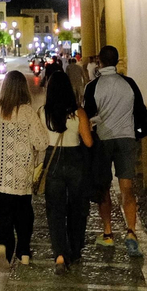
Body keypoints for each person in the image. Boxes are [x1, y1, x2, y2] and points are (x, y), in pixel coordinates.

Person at [0, 70, 49, 269]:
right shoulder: (27, 112)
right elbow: (41, 142)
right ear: (23, 89)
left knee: (3, 214)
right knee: (24, 213)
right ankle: (24, 252)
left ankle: (2, 246)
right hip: (22, 175)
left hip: (0, 176)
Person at [83, 46, 147, 254]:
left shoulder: (93, 87)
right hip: (127, 138)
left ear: (99, 62)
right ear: (117, 61)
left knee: (103, 187)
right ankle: (131, 232)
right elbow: (140, 110)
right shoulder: (129, 84)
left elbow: (87, 116)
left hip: (103, 140)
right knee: (127, 187)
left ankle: (108, 233)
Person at [39, 68, 95, 272]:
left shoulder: (43, 112)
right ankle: (75, 250)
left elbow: (39, 141)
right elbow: (88, 142)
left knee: (55, 210)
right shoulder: (78, 112)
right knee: (77, 207)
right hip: (75, 161)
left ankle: (60, 255)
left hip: (52, 161)